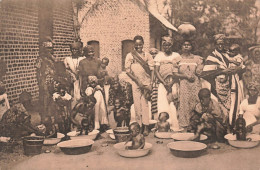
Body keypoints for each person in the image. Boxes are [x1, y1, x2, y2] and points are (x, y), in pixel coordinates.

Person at [201, 34, 244, 131]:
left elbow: (241, 66)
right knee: (219, 109)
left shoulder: (229, 54)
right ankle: (221, 130)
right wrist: (222, 71)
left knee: (233, 106)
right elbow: (205, 73)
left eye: (222, 44)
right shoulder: (212, 57)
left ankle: (232, 127)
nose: (220, 46)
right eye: (218, 44)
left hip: (231, 85)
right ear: (215, 44)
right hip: (217, 88)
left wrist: (237, 69)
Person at [125, 35, 154, 136]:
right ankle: (139, 127)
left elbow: (151, 70)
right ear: (134, 44)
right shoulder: (130, 55)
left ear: (143, 44)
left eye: (140, 44)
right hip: (135, 83)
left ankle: (146, 126)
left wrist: (151, 82)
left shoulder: (147, 55)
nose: (138, 46)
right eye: (136, 44)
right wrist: (137, 80)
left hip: (146, 82)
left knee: (145, 105)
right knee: (137, 106)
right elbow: (128, 71)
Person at [154, 36, 181, 130]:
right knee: (163, 103)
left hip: (174, 82)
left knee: (174, 103)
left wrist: (172, 83)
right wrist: (165, 83)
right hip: (162, 83)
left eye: (169, 45)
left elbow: (179, 70)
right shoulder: (159, 56)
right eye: (165, 45)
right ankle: (164, 125)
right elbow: (156, 71)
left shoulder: (176, 55)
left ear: (172, 45)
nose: (167, 47)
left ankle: (175, 125)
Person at [177, 40, 204, 129]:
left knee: (196, 103)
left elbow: (200, 72)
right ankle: (185, 125)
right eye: (184, 44)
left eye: (188, 45)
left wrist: (200, 67)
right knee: (184, 104)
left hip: (195, 84)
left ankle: (195, 124)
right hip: (184, 83)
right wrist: (185, 76)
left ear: (191, 47)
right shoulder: (178, 59)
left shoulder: (197, 58)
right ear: (181, 46)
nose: (186, 46)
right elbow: (174, 74)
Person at [35, 36, 56, 120]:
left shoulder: (53, 58)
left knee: (52, 99)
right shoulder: (40, 59)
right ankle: (44, 118)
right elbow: (37, 71)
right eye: (47, 48)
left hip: (53, 81)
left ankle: (51, 116)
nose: (49, 50)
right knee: (44, 100)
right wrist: (41, 82)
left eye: (50, 48)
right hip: (44, 82)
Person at [64, 41, 85, 107]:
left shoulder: (82, 59)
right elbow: (65, 70)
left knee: (80, 96)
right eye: (72, 49)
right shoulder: (67, 59)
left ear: (78, 50)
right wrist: (71, 74)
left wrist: (79, 72)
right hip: (72, 80)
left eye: (75, 49)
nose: (74, 51)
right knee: (72, 96)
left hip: (80, 79)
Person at [149, 48, 159, 119]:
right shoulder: (148, 63)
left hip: (156, 84)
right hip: (149, 83)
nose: (153, 55)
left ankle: (155, 118)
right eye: (151, 53)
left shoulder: (158, 63)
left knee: (155, 101)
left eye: (155, 53)